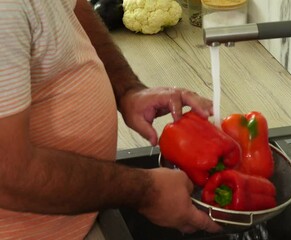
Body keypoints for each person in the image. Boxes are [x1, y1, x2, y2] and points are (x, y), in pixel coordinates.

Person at [0, 0, 221, 238]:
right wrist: (146, 192)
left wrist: (126, 88)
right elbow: (9, 174)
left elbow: (73, 7)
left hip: (77, 219)